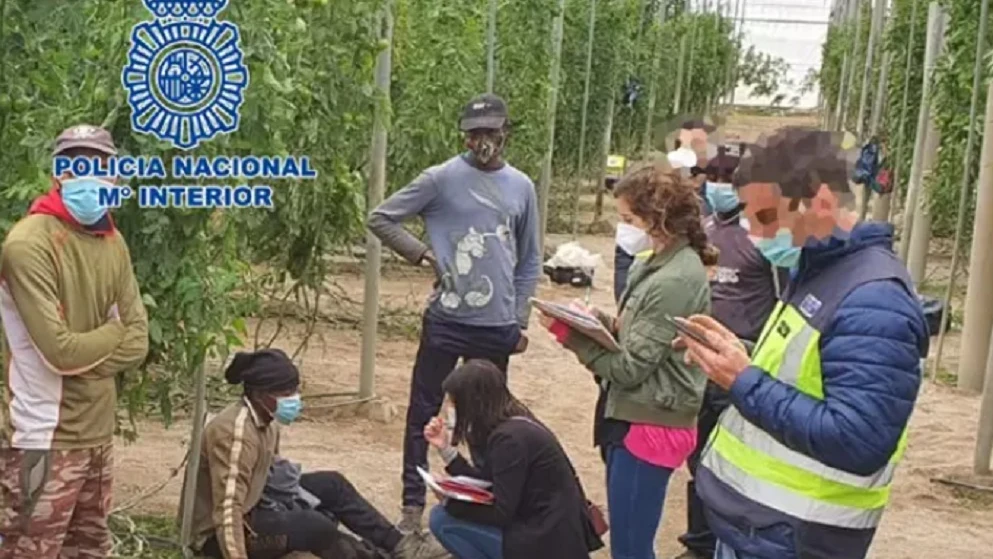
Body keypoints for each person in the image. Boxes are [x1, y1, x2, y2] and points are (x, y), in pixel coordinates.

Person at [675, 127, 929, 559]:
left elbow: (858, 439)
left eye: (765, 217)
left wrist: (744, 379)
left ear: (822, 204)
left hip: (796, 537)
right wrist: (739, 355)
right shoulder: (816, 271)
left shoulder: (874, 302)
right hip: (760, 528)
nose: (753, 232)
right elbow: (802, 376)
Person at [367, 93, 542, 533]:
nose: (482, 140)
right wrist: (423, 254)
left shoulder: (521, 186)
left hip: (495, 325)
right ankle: (411, 503)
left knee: (489, 417)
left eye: (490, 131)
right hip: (447, 321)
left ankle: (486, 497)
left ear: (505, 132)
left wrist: (518, 319)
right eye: (474, 133)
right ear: (464, 136)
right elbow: (381, 217)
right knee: (424, 410)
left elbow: (529, 260)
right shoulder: (440, 179)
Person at [541, 163, 715, 559]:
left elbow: (631, 368)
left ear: (659, 218)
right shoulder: (653, 265)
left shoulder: (674, 280)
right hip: (635, 415)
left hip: (652, 420)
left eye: (629, 219)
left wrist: (572, 338)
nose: (625, 229)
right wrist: (592, 321)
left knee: (632, 547)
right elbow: (634, 333)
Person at [0, 125, 149, 559]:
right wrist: (113, 332)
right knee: (30, 549)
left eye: (99, 165)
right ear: (58, 173)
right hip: (44, 437)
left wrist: (90, 348)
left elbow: (138, 343)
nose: (88, 175)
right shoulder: (29, 245)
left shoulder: (113, 242)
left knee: (89, 549)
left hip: (97, 435)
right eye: (75, 164)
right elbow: (59, 352)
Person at [183, 348, 449, 559]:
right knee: (314, 526)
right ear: (258, 393)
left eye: (295, 390)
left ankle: (401, 546)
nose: (294, 399)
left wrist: (299, 497)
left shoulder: (265, 419)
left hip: (257, 505)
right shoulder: (236, 434)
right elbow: (228, 508)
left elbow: (272, 477)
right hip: (217, 536)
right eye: (286, 393)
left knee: (332, 485)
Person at [672, 150, 789, 559]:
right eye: (713, 175)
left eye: (728, 177)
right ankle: (699, 541)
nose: (719, 183)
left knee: (730, 461)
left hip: (743, 364)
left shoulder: (764, 238)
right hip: (700, 360)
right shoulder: (704, 227)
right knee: (698, 455)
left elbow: (783, 298)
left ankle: (721, 541)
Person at [424, 360, 601, 559]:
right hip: (548, 527)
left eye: (455, 403)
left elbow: (501, 512)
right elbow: (489, 483)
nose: (450, 410)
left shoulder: (509, 440)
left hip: (545, 540)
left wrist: (451, 503)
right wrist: (446, 450)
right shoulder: (513, 424)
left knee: (442, 520)